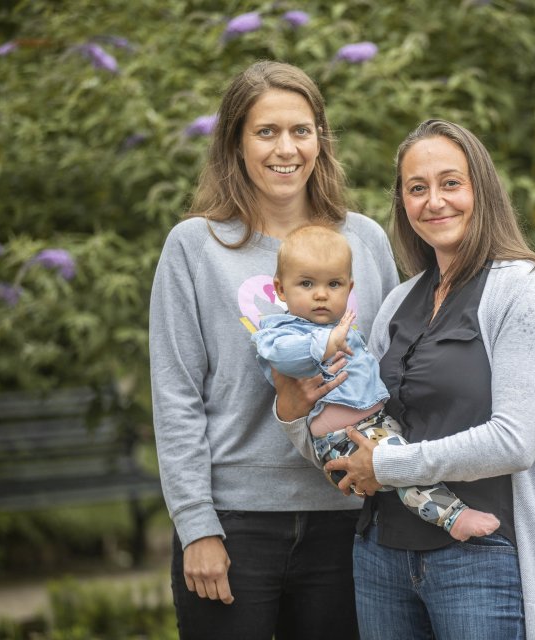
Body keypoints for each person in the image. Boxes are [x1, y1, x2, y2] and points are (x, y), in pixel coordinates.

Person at [298, 119, 535, 639]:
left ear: (481, 189)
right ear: (403, 204)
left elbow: (514, 442)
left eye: (450, 183)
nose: (434, 201)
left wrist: (385, 464)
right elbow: (353, 420)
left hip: (480, 560)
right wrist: (290, 409)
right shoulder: (397, 302)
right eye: (417, 188)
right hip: (380, 556)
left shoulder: (526, 288)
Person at [148, 61, 399, 640]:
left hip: (351, 518)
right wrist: (196, 526)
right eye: (266, 132)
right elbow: (176, 395)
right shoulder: (195, 246)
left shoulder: (364, 239)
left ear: (320, 140)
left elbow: (390, 369)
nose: (285, 148)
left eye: (300, 130)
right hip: (235, 525)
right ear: (235, 144)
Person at [251, 224, 501, 541]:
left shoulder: (341, 327)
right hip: (342, 437)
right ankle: (453, 518)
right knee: (401, 466)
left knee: (404, 463)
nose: (321, 294)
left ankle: (443, 510)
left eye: (334, 284)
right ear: (281, 290)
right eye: (306, 284)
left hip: (372, 423)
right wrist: (326, 344)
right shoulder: (281, 330)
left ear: (349, 289)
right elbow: (284, 358)